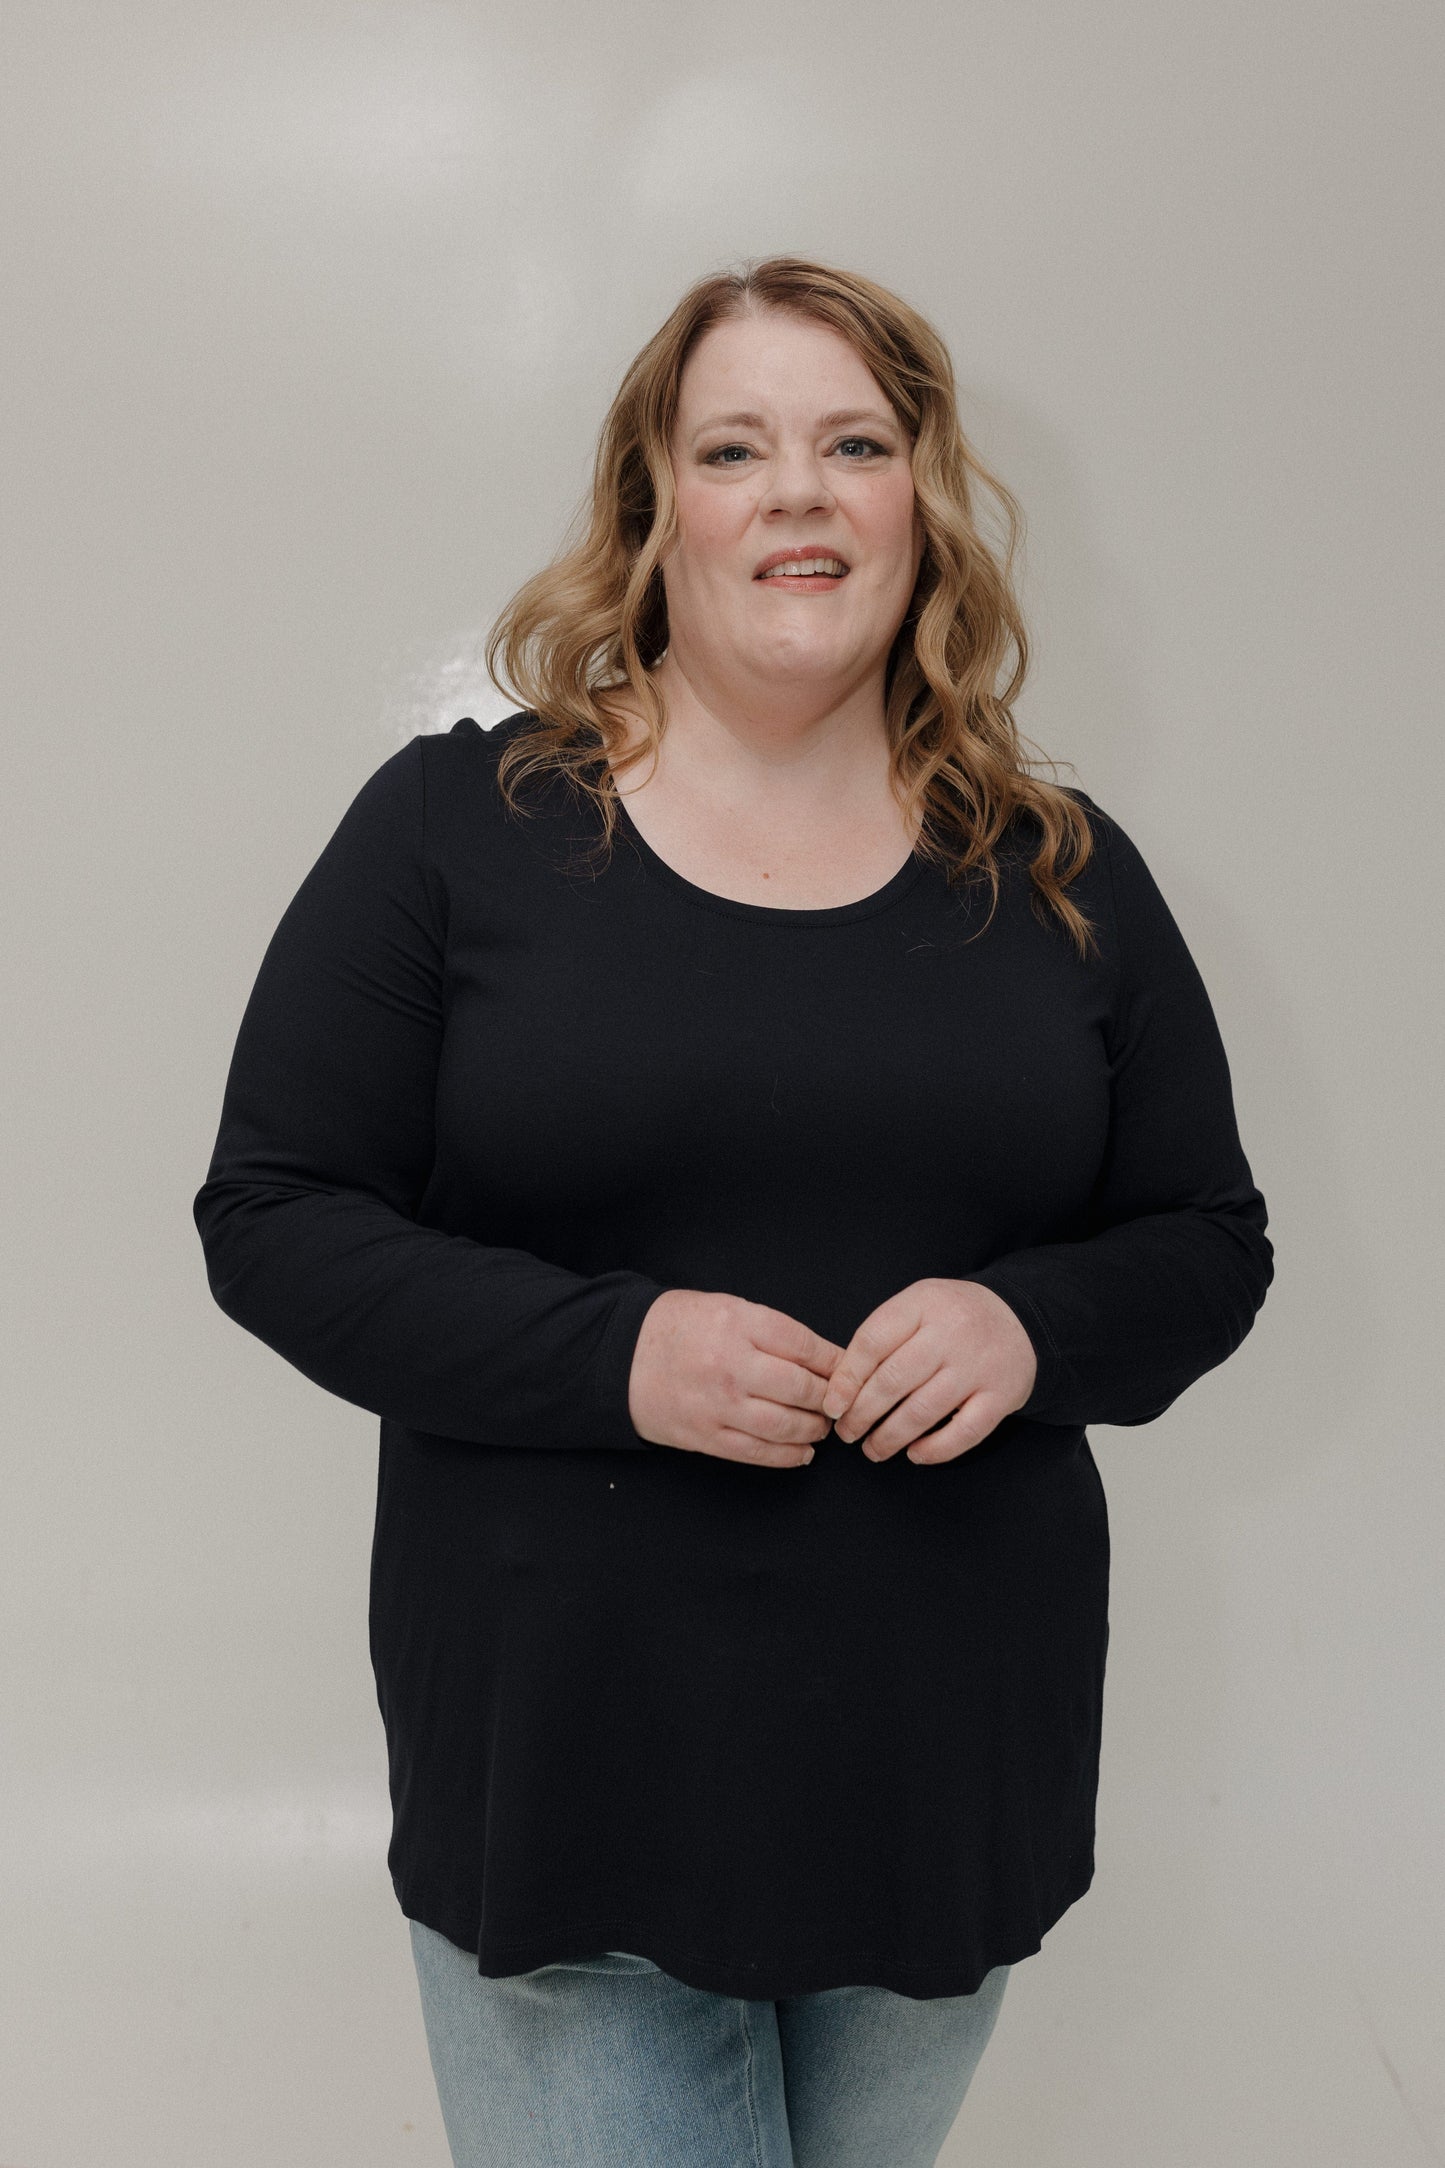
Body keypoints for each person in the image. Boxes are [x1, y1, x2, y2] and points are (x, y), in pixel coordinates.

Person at [192, 255, 1274, 2167]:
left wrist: (1035, 1330)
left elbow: (1204, 1237)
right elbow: (274, 1215)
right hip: (572, 1755)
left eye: (854, 442)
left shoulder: (1059, 877)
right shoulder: (458, 833)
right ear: (651, 508)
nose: (798, 489)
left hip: (942, 1759)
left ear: (918, 505)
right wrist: (618, 1356)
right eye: (735, 445)